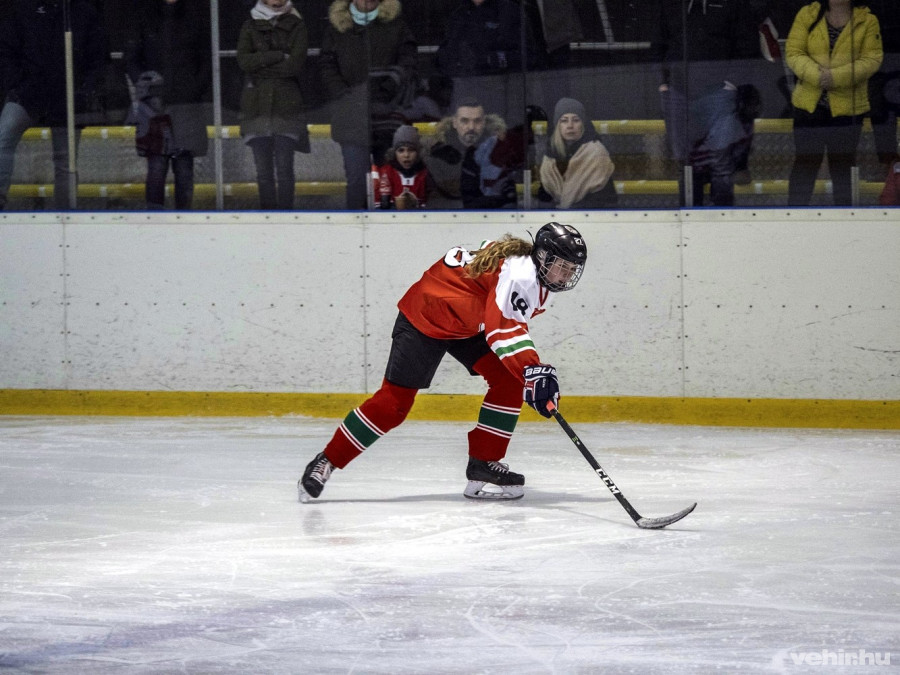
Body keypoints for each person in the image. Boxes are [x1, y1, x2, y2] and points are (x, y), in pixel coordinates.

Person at [297, 222, 588, 502]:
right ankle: (327, 460)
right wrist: (532, 371)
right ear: (542, 257)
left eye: (572, 269)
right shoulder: (520, 274)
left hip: (466, 324)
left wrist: (527, 372)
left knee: (509, 381)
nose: (566, 275)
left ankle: (484, 462)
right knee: (393, 406)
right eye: (562, 266)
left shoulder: (534, 277)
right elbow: (504, 329)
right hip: (425, 318)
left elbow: (503, 322)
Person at [0, 0, 107, 211]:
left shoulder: (83, 12)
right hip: (28, 94)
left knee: (66, 160)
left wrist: (83, 91)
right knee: (4, 135)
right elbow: (6, 50)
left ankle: (65, 214)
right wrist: (17, 83)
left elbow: (98, 58)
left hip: (68, 98)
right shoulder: (24, 9)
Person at [651, 0, 760, 206]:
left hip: (719, 94)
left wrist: (732, 83)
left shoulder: (733, 5)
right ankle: (690, 216)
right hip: (678, 93)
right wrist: (663, 83)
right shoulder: (671, 5)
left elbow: (748, 44)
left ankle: (721, 215)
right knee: (686, 164)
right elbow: (658, 45)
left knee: (721, 161)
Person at [319, 0, 417, 210]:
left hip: (388, 115)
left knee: (392, 180)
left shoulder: (396, 24)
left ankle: (394, 226)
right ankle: (355, 227)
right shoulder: (336, 27)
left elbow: (408, 61)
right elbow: (326, 65)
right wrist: (345, 94)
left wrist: (389, 87)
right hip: (351, 116)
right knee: (357, 181)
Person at [785, 0, 883, 206]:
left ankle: (845, 219)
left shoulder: (868, 20)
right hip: (809, 108)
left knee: (843, 168)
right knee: (805, 165)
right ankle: (794, 216)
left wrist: (836, 78)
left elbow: (872, 59)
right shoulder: (807, 14)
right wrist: (818, 76)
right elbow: (793, 52)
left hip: (848, 110)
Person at [125, 0, 211, 211]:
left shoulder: (195, 16)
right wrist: (148, 89)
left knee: (184, 168)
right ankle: (155, 220)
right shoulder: (144, 16)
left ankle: (184, 219)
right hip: (154, 107)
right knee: (156, 167)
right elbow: (131, 60)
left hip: (186, 106)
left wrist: (193, 90)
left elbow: (206, 61)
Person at [237, 0, 310, 210]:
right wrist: (277, 55)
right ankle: (267, 215)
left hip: (286, 106)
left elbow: (294, 65)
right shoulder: (249, 25)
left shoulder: (297, 25)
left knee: (285, 169)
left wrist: (260, 65)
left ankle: (286, 215)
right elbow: (244, 61)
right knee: (263, 172)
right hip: (256, 107)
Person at [424, 98, 515, 209]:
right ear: (454, 123)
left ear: (484, 122)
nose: (471, 127)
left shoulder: (500, 151)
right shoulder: (437, 155)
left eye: (477, 121)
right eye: (464, 121)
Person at [538, 97, 617, 209]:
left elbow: (606, 199)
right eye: (564, 120)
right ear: (557, 125)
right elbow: (544, 197)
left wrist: (573, 210)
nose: (570, 125)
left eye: (576, 120)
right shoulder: (550, 156)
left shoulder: (596, 153)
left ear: (583, 124)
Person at [436, 0, 546, 78]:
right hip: (466, 89)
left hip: (504, 88)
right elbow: (446, 55)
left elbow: (530, 57)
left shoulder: (509, 11)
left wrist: (489, 59)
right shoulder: (459, 16)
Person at [376, 124, 429, 209]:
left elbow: (434, 205)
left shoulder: (426, 173)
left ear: (418, 152)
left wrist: (416, 205)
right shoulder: (386, 172)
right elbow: (378, 210)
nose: (406, 155)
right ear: (394, 153)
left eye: (411, 150)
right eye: (401, 150)